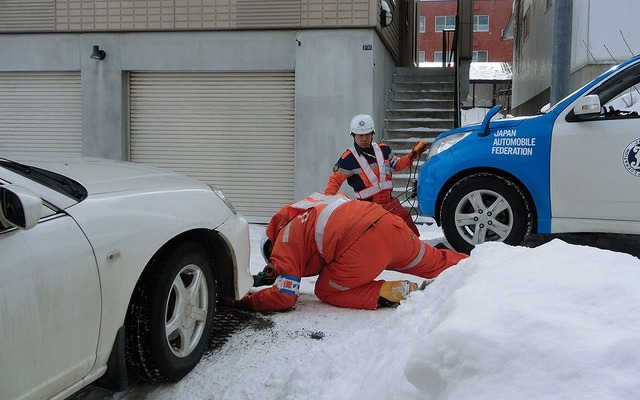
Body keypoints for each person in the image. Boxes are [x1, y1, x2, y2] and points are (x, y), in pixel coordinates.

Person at [225, 192, 467, 312]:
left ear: (272, 245)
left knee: (326, 289)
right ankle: (484, 265)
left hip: (361, 245)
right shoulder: (308, 207)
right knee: (436, 262)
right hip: (388, 223)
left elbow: (285, 297)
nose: (279, 265)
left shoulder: (283, 242)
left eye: (276, 263)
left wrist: (246, 302)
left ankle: (396, 291)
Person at [325, 114, 428, 236]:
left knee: (409, 229)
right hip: (367, 209)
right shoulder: (347, 159)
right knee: (376, 238)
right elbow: (334, 182)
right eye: (360, 135)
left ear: (372, 134)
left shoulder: (384, 150)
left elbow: (397, 164)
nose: (364, 138)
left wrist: (412, 155)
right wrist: (326, 205)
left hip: (390, 204)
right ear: (353, 135)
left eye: (367, 134)